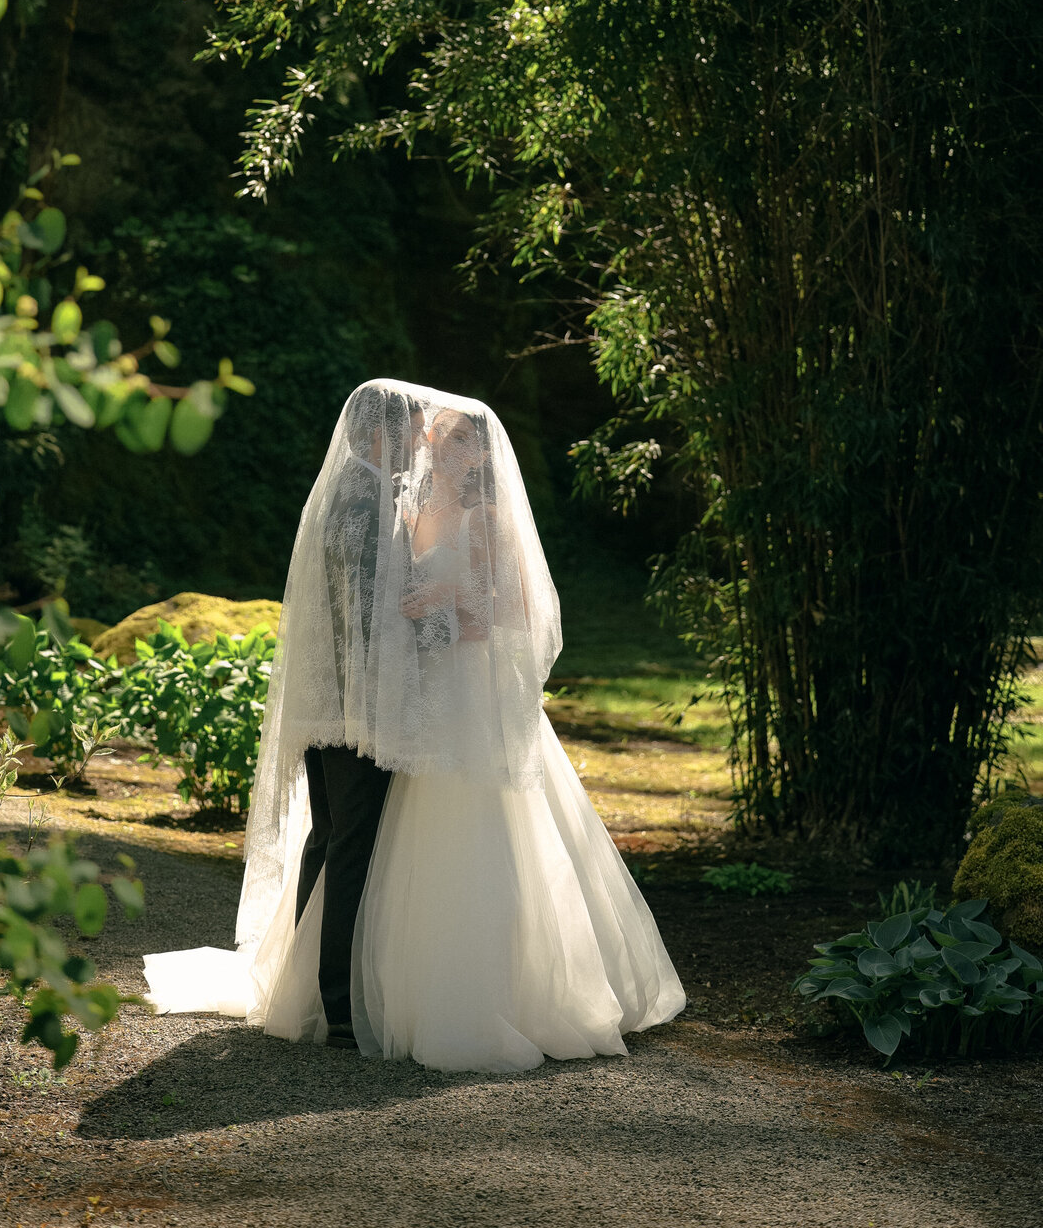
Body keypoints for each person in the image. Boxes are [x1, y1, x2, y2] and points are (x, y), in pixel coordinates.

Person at [143, 378, 685, 1072]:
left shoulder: (448, 507)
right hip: (375, 702)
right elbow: (374, 604)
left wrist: (443, 611)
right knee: (353, 843)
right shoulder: (380, 498)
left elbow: (501, 612)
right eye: (425, 425)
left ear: (478, 452)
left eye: (452, 432)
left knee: (371, 841)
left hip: (429, 699)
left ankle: (347, 994)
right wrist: (425, 614)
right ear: (390, 430)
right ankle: (338, 1001)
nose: (427, 433)